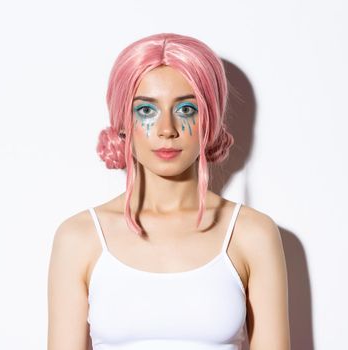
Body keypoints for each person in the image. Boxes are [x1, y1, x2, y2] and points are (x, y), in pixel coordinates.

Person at [47, 33, 290, 350]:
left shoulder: (252, 234)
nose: (167, 130)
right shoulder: (79, 238)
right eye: (146, 111)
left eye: (187, 109)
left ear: (210, 119)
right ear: (122, 120)